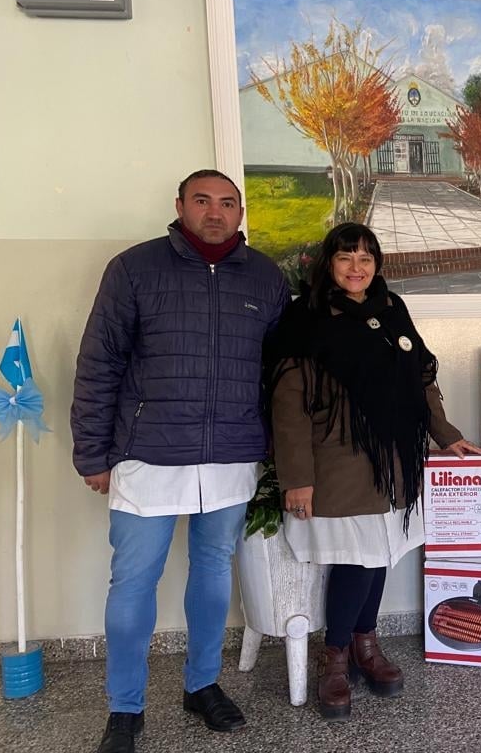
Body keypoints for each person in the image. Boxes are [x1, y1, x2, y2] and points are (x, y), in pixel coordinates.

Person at [71, 169, 290, 753]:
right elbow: (99, 363)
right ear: (180, 205)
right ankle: (125, 708)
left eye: (227, 203)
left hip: (231, 457)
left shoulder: (265, 277)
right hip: (149, 455)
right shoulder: (134, 269)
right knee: (132, 584)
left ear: (240, 212)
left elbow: (280, 374)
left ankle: (202, 685)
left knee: (214, 573)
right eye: (202, 200)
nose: (215, 212)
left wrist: (275, 446)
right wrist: (92, 452)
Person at [264, 222, 481, 722]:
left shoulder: (392, 309)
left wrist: (445, 434)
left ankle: (366, 644)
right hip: (337, 462)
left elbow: (421, 377)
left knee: (381, 552)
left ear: (377, 264)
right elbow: (288, 406)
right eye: (345, 257)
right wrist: (297, 478)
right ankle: (336, 656)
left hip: (394, 461)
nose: (356, 267)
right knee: (356, 561)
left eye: (366, 257)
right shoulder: (306, 318)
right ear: (329, 264)